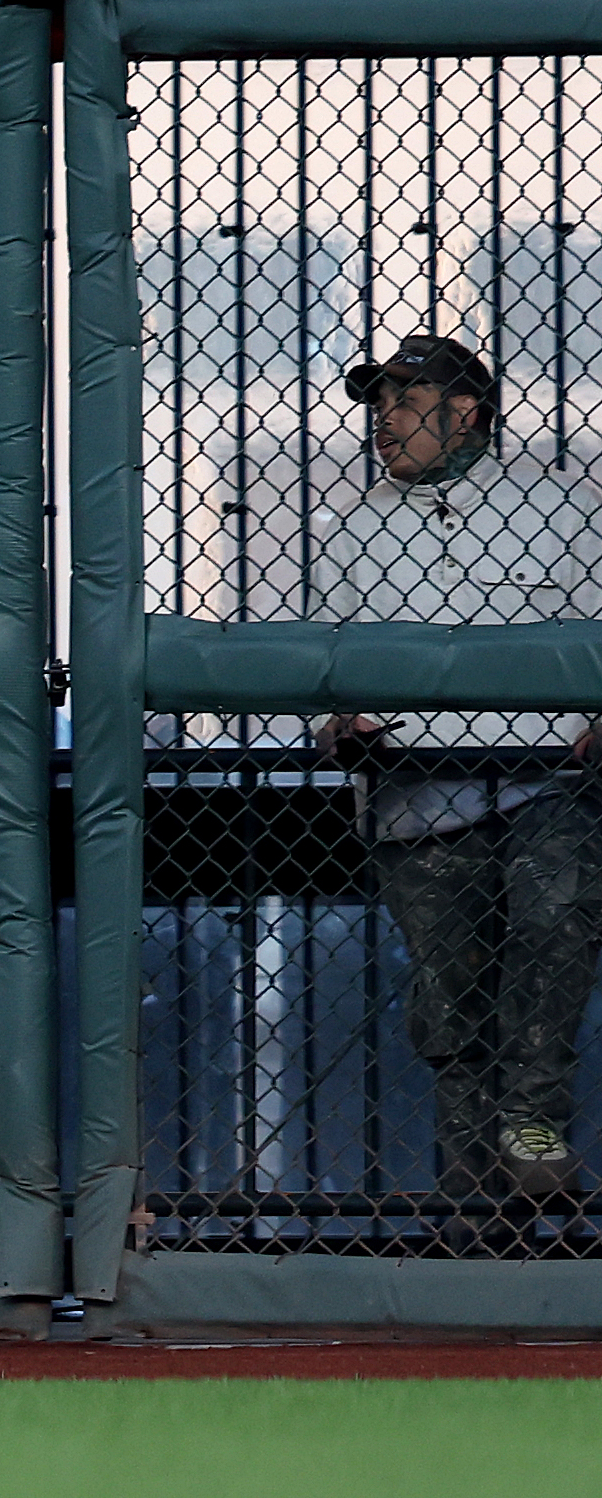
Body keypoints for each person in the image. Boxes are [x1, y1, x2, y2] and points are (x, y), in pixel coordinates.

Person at [312, 335, 602, 1202]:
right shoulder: (351, 530)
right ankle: (478, 1202)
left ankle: (534, 1120)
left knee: (555, 922)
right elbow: (319, 674)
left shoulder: (558, 508)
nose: (384, 421)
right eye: (377, 406)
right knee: (452, 1003)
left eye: (404, 401)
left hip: (543, 776)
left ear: (465, 410)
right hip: (416, 793)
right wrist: (337, 723)